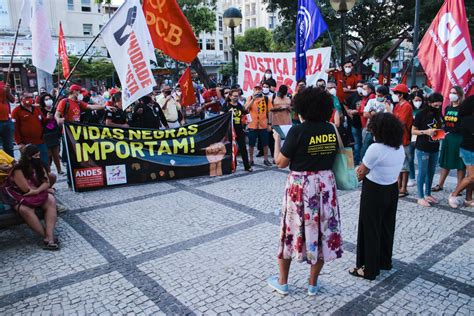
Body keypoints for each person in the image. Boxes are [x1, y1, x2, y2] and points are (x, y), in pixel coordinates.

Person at [268, 86, 343, 296]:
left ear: (301, 109)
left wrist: (276, 140)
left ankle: (282, 282)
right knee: (322, 231)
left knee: (291, 229)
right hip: (325, 185)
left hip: (301, 187)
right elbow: (339, 152)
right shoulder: (331, 129)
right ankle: (312, 284)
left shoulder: (297, 131)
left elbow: (280, 162)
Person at [350, 112, 405, 280]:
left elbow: (361, 172)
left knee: (370, 228)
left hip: (374, 190)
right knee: (387, 226)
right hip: (391, 189)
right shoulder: (399, 147)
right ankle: (384, 261)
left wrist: (351, 173)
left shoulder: (376, 149)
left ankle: (369, 269)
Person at [6, 144, 59, 250]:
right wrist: (39, 189)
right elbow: (25, 190)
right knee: (25, 210)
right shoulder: (18, 169)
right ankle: (48, 237)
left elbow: (46, 183)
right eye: (35, 156)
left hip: (35, 192)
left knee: (50, 200)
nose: (38, 158)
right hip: (20, 194)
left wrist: (38, 190)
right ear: (28, 157)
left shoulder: (39, 165)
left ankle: (49, 236)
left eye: (38, 155)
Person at [411, 93, 444, 207]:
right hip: (423, 147)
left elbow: (441, 127)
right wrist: (425, 132)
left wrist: (442, 133)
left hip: (435, 147)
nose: (437, 107)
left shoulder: (439, 113)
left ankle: (428, 194)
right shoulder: (421, 114)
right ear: (429, 103)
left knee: (431, 172)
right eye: (435, 105)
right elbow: (413, 131)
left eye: (439, 105)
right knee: (422, 172)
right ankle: (420, 197)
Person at [432, 86, 466, 193]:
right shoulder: (447, 108)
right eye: (450, 92)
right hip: (448, 138)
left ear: (460, 95)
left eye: (454, 93)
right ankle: (440, 184)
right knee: (445, 162)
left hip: (459, 138)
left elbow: (464, 125)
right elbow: (445, 123)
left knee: (460, 164)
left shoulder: (464, 109)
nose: (451, 94)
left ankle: (459, 187)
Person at [448, 96, 474, 208]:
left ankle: (468, 199)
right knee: (472, 177)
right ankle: (454, 195)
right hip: (469, 151)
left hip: (470, 149)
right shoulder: (468, 119)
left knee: (471, 176)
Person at [11, 93, 49, 168]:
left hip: (40, 141)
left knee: (44, 163)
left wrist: (48, 118)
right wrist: (19, 142)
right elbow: (14, 128)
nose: (29, 99)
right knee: (30, 165)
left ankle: (45, 177)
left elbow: (43, 121)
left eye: (31, 97)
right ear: (21, 99)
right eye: (27, 97)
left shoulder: (36, 109)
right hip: (27, 144)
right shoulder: (16, 111)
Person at [222, 89, 252, 172]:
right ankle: (232, 166)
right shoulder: (226, 105)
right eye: (234, 96)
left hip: (239, 129)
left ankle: (247, 166)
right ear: (230, 96)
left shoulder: (239, 105)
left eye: (237, 96)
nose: (236, 98)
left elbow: (245, 113)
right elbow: (221, 117)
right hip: (230, 130)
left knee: (243, 148)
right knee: (232, 148)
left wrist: (247, 120)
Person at [392, 84, 414, 198]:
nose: (394, 95)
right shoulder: (397, 106)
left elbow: (402, 122)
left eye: (396, 93)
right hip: (396, 138)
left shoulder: (407, 106)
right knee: (399, 164)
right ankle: (398, 185)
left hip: (404, 138)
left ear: (401, 95)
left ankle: (403, 188)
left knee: (405, 165)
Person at [361, 85, 392, 159]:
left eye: (380, 95)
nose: (377, 97)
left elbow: (388, 117)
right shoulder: (371, 101)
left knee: (379, 151)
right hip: (370, 130)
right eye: (377, 95)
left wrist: (373, 114)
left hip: (381, 132)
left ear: (385, 96)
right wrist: (379, 116)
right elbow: (365, 114)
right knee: (365, 150)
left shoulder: (389, 105)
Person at [244, 85, 273, 166]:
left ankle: (266, 159)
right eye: (256, 89)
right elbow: (245, 108)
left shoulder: (266, 99)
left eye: (259, 89)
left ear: (262, 90)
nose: (257, 90)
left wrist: (270, 124)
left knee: (265, 143)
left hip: (263, 125)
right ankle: (251, 160)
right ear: (253, 90)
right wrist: (253, 99)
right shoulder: (249, 98)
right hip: (252, 125)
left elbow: (270, 112)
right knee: (251, 144)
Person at [39, 93, 62, 175]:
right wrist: (46, 118)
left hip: (54, 133)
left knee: (56, 153)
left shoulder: (55, 109)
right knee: (48, 155)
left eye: (49, 99)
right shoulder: (41, 110)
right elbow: (40, 122)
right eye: (46, 99)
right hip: (46, 135)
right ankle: (48, 171)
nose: (48, 101)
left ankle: (59, 170)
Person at [345, 81, 365, 165]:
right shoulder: (353, 96)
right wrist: (348, 111)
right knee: (357, 144)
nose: (359, 87)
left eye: (361, 86)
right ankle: (357, 162)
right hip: (355, 123)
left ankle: (364, 161)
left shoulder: (368, 97)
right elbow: (345, 103)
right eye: (358, 86)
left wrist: (357, 111)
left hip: (365, 125)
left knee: (365, 144)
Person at [0, 78, 14, 157]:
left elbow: (12, 100)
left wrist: (8, 92)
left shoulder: (3, 84)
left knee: (9, 147)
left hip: (6, 121)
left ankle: (12, 166)